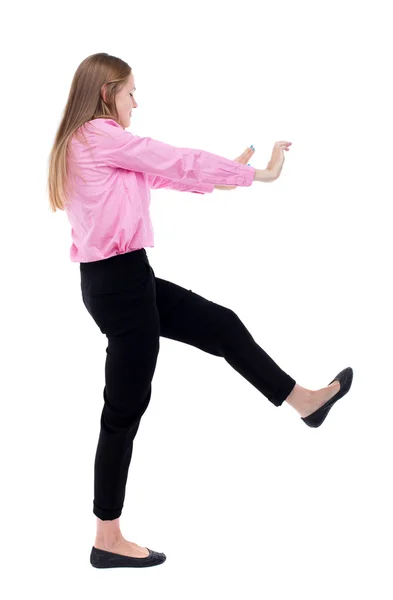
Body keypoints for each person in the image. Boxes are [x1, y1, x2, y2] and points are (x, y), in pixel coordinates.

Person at [47, 52, 353, 570]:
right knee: (123, 412)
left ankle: (304, 402)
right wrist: (259, 175)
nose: (135, 102)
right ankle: (107, 537)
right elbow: (168, 158)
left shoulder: (90, 143)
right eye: (130, 93)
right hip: (121, 288)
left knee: (221, 325)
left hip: (121, 282)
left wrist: (235, 172)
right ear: (106, 94)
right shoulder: (100, 135)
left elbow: (161, 174)